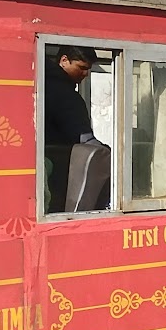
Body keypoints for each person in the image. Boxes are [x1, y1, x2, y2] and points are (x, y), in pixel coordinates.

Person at [44, 45, 103, 212]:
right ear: (64, 60)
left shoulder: (39, 82)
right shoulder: (65, 95)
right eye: (82, 67)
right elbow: (84, 138)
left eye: (88, 69)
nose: (86, 74)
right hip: (58, 169)